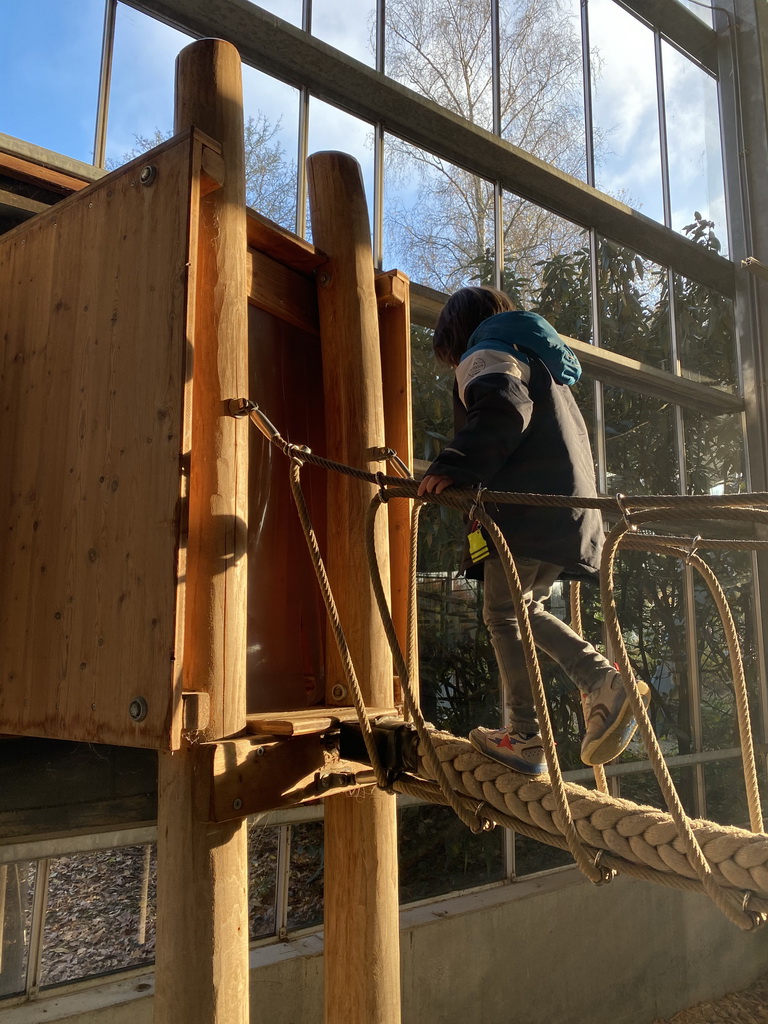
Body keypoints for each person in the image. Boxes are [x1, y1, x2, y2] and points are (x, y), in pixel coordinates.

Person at [417, 286, 650, 775]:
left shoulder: (486, 352)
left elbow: (502, 407)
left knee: (505, 614)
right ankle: (576, 703)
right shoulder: (540, 363)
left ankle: (534, 728)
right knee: (523, 609)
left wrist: (456, 462)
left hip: (523, 514)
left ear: (459, 335)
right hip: (564, 514)